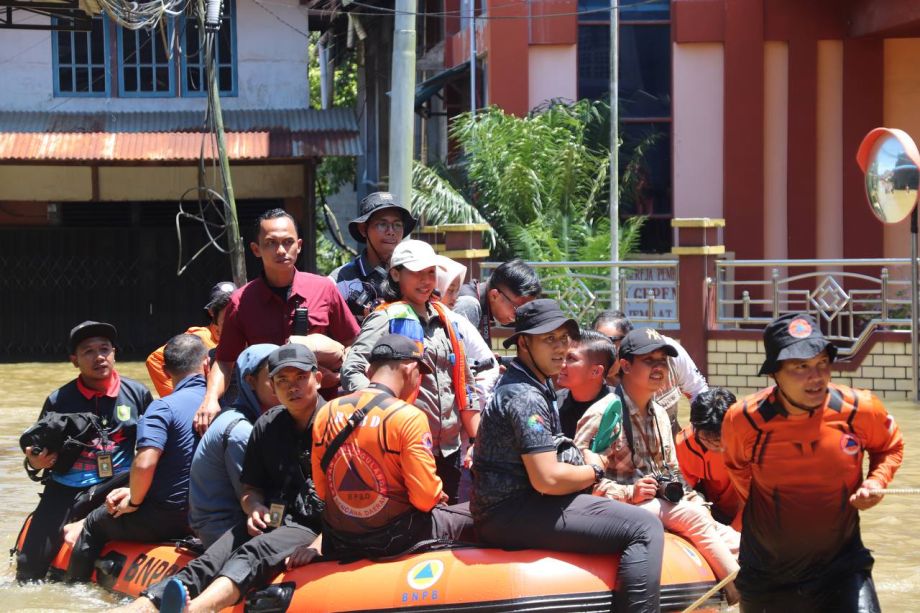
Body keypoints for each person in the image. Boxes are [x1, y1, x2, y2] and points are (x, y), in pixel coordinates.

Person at [471, 299, 664, 613]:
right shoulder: (525, 395)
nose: (560, 348)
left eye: (564, 339)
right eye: (549, 340)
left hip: (515, 505)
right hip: (512, 511)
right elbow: (547, 479)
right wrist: (595, 469)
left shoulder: (534, 383)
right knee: (645, 528)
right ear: (523, 343)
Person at [722, 313, 904, 611]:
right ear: (774, 373)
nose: (816, 376)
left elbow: (890, 446)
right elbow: (739, 472)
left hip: (842, 567)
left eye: (822, 364)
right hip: (769, 573)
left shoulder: (860, 409)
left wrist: (876, 481)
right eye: (800, 367)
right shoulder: (743, 420)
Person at [127, 343, 325, 613]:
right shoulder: (266, 425)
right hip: (275, 517)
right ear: (271, 384)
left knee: (252, 553)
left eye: (301, 377)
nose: (292, 387)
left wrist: (319, 543)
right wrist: (252, 506)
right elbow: (250, 487)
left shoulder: (336, 422)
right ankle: (144, 605)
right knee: (213, 557)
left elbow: (352, 501)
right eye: (282, 380)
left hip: (313, 524)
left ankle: (196, 609)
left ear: (319, 379)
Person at [573, 328, 740, 604]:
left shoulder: (661, 414)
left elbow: (673, 475)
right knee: (693, 517)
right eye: (649, 361)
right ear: (625, 366)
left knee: (729, 535)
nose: (659, 368)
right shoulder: (605, 412)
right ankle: (736, 592)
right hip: (618, 508)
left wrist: (694, 499)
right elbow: (579, 483)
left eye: (663, 361)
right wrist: (630, 493)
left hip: (659, 506)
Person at [196, 208, 360, 434]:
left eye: (288, 242)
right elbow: (225, 361)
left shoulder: (323, 289)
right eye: (271, 243)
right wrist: (210, 399)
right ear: (256, 249)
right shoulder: (241, 301)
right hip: (269, 415)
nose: (281, 250)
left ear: (299, 245)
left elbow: (355, 342)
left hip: (324, 408)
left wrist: (342, 377)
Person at [341, 240, 480, 504]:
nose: (426, 281)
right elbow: (353, 368)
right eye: (416, 273)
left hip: (449, 449)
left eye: (430, 272)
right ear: (395, 273)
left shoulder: (445, 318)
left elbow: (464, 379)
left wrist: (476, 437)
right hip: (403, 444)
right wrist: (383, 415)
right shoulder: (385, 317)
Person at [313, 334, 475, 559]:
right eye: (420, 374)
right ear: (410, 369)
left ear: (369, 372)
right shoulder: (408, 417)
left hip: (341, 539)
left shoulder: (326, 411)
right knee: (481, 516)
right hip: (396, 539)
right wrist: (436, 493)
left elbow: (322, 491)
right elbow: (425, 499)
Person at [15, 321, 153, 582]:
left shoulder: (137, 393)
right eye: (88, 351)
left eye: (104, 348)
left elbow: (153, 447)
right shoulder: (59, 399)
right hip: (66, 488)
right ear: (74, 360)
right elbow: (36, 450)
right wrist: (36, 460)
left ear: (114, 352)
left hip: (116, 485)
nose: (99, 356)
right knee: (29, 567)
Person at [65, 334, 208, 581]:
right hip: (209, 515)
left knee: (93, 524)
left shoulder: (163, 407)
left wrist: (133, 500)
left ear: (164, 370)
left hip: (168, 517)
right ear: (207, 364)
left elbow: (145, 462)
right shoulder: (225, 404)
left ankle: (72, 591)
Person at [188, 343, 278, 549]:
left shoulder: (249, 417)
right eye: (273, 377)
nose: (283, 383)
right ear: (250, 381)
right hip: (222, 527)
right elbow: (252, 493)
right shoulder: (241, 431)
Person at [592, 310, 708, 435]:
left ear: (628, 341)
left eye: (609, 342)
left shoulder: (668, 353)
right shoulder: (588, 382)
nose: (602, 351)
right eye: (596, 344)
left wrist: (696, 439)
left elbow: (698, 391)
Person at [329, 191, 418, 322]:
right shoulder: (340, 281)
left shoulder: (414, 274)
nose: (391, 232)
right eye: (382, 224)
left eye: (397, 225)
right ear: (363, 229)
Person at [145, 281, 236, 398]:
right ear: (212, 311)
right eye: (222, 306)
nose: (228, 312)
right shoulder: (198, 337)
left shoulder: (244, 338)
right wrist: (179, 396)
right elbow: (154, 360)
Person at [674, 387, 742, 529]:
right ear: (695, 427)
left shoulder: (751, 441)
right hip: (714, 510)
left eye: (720, 435)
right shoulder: (685, 443)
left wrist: (734, 532)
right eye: (707, 435)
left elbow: (757, 496)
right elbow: (685, 490)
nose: (715, 441)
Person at [453, 258, 542, 347]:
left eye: (525, 311)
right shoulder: (468, 305)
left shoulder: (480, 299)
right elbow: (456, 355)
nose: (519, 316)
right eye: (518, 308)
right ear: (494, 296)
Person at [556, 329, 618, 438]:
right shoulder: (553, 403)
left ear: (596, 371)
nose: (562, 364)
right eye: (562, 356)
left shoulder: (620, 405)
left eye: (571, 358)